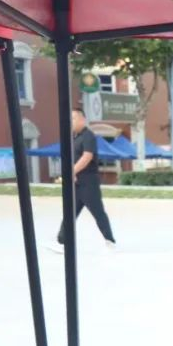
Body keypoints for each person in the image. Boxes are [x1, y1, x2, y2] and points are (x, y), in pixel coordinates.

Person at [52, 108, 116, 253]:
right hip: (76, 182)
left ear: (82, 119)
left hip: (88, 183)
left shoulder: (88, 136)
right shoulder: (74, 138)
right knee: (69, 213)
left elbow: (87, 157)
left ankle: (110, 241)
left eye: (74, 118)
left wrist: (72, 171)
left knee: (98, 212)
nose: (71, 122)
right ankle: (62, 242)